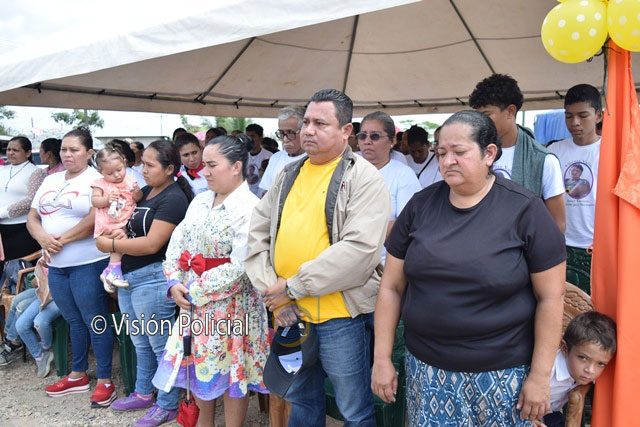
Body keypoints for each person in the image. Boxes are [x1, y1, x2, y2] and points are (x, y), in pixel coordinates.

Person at [372, 110, 566, 426]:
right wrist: (381, 358)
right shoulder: (420, 206)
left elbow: (551, 298)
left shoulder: (525, 210)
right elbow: (391, 287)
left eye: (459, 152)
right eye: (441, 153)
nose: (447, 161)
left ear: (489, 153)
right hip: (428, 370)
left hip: (503, 375)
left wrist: (540, 376)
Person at [246, 89, 390, 426]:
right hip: (290, 313)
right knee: (301, 399)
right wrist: (275, 293)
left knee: (353, 408)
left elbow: (359, 250)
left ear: (346, 130)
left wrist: (291, 287)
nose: (308, 130)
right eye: (306, 122)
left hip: (341, 317)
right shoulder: (289, 173)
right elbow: (257, 234)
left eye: (320, 123)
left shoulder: (364, 177)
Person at [153, 134, 269, 427]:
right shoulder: (200, 200)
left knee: (232, 374)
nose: (204, 172)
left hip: (232, 306)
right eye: (203, 165)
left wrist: (194, 290)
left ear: (236, 167)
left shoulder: (251, 207)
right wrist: (173, 281)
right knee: (200, 369)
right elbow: (177, 243)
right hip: (194, 304)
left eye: (212, 165)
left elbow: (240, 266)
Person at [95, 139, 192, 427]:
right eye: (143, 164)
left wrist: (111, 245)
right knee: (140, 340)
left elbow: (152, 244)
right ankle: (144, 391)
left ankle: (167, 404)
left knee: (160, 344)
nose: (143, 170)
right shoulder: (147, 191)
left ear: (169, 168)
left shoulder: (174, 199)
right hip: (129, 275)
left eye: (150, 165)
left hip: (154, 276)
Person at [27, 127, 116, 407]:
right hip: (57, 266)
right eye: (64, 149)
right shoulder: (50, 179)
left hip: (87, 263)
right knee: (73, 320)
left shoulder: (97, 180)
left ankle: (105, 379)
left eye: (74, 149)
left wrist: (60, 240)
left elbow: (95, 217)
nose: (67, 154)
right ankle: (78, 374)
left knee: (95, 320)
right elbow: (32, 216)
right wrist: (42, 238)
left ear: (89, 153)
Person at [469, 73, 566, 233]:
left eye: (486, 115)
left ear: (510, 112)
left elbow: (558, 224)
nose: (480, 123)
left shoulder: (543, 160)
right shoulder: (473, 153)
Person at [547, 84, 603, 294]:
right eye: (569, 116)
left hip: (597, 246)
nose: (575, 122)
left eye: (583, 115)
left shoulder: (611, 151)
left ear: (598, 115)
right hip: (561, 244)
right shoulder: (553, 151)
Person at [357, 111, 421, 263]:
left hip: (383, 264)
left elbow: (406, 223)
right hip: (346, 260)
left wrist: (360, 235)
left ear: (392, 141)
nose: (367, 141)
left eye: (375, 136)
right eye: (362, 136)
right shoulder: (347, 169)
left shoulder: (403, 174)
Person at [538, 311, 616, 427]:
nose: (590, 370)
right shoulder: (548, 370)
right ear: (564, 348)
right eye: (583, 358)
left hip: (551, 414)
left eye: (600, 364)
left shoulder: (585, 373)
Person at [91, 144, 143, 291]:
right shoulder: (100, 184)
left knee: (121, 240)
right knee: (119, 238)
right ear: (100, 171)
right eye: (110, 173)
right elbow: (95, 201)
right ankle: (114, 270)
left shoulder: (130, 179)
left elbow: (138, 198)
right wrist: (106, 199)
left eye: (119, 170)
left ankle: (108, 271)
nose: (116, 175)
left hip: (125, 218)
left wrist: (136, 192)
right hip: (109, 221)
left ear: (124, 162)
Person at [0, 137, 47, 269]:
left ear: (28, 153)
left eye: (15, 150)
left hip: (21, 229)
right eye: (8, 149)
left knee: (18, 270)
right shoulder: (2, 170)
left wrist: (3, 212)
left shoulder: (36, 172)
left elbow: (31, 201)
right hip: (2, 229)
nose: (10, 153)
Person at [15, 259, 61, 378]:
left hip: (60, 298)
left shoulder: (64, 258)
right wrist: (38, 280)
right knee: (20, 325)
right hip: (44, 296)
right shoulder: (45, 257)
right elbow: (34, 282)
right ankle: (40, 356)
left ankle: (45, 347)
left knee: (39, 322)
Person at [259, 106, 307, 193]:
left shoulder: (314, 159)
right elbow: (266, 192)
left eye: (291, 133)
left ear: (305, 131)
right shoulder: (276, 158)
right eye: (281, 133)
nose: (285, 139)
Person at [245, 123, 272, 197]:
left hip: (261, 197)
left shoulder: (270, 157)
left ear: (260, 138)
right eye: (247, 137)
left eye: (252, 136)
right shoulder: (242, 156)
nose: (250, 140)